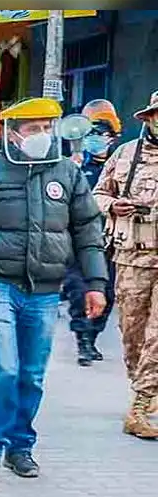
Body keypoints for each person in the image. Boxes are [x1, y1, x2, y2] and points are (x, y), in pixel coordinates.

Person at [0, 98, 107, 483]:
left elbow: (87, 229)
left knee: (32, 373)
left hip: (46, 289)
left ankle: (21, 446)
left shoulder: (66, 172)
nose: (42, 135)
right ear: (13, 133)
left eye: (47, 128)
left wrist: (95, 284)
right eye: (33, 128)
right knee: (1, 366)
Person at [92, 91, 158, 439]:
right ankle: (142, 390)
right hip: (132, 256)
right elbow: (97, 194)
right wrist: (113, 205)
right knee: (133, 333)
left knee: (157, 335)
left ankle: (142, 405)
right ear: (148, 118)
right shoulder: (125, 155)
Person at [65, 99, 120, 367]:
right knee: (79, 291)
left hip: (110, 242)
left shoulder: (122, 168)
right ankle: (82, 340)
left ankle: (94, 334)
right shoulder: (73, 168)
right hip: (77, 243)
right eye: (93, 134)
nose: (98, 139)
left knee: (107, 294)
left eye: (104, 135)